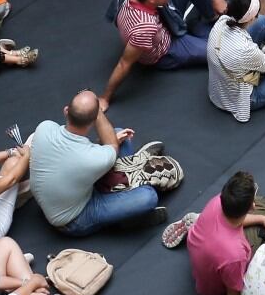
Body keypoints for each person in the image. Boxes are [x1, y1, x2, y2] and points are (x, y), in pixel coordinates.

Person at [26, 90, 168, 236]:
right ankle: (126, 218)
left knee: (117, 133)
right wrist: (98, 110)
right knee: (148, 197)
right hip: (73, 220)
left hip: (61, 197)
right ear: (93, 122)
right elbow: (111, 145)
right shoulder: (92, 159)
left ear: (66, 111)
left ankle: (130, 174)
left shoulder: (44, 127)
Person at [101, 0, 229, 100]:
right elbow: (124, 64)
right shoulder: (144, 29)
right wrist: (105, 97)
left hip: (163, 19)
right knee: (222, 51)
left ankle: (213, 16)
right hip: (166, 49)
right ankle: (200, 31)